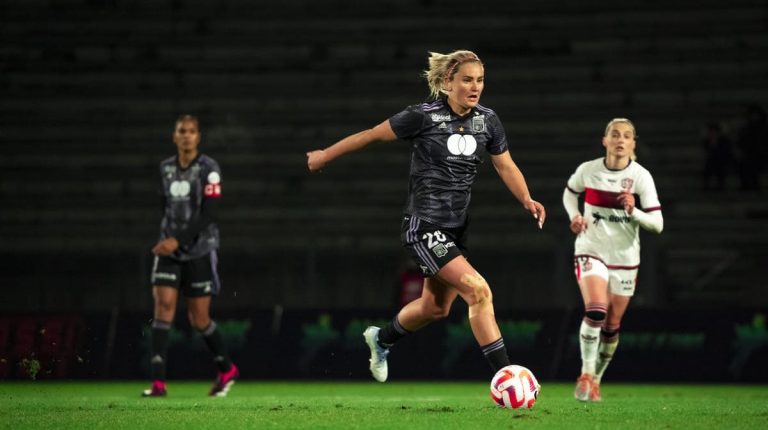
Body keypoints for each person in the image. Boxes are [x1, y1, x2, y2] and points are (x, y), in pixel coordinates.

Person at [306, 50, 546, 382]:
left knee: (436, 308)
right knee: (478, 290)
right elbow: (372, 134)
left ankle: (381, 338)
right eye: (467, 80)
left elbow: (504, 164)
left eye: (479, 80)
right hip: (424, 225)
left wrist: (526, 198)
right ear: (448, 82)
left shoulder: (488, 120)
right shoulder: (422, 116)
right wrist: (324, 155)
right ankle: (508, 377)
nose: (475, 87)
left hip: (456, 229)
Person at [562, 118, 664, 402]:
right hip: (591, 249)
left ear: (633, 144)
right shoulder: (588, 170)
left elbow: (657, 224)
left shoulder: (641, 177)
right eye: (615, 135)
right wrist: (575, 217)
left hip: (625, 258)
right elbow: (570, 193)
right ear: (604, 141)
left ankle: (596, 378)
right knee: (596, 310)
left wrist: (634, 212)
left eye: (627, 136)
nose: (620, 140)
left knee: (611, 325)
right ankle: (585, 372)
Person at [142, 115, 238, 397]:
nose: (186, 136)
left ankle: (226, 369)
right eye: (181, 131)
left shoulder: (209, 169)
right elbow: (165, 208)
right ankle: (158, 384)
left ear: (198, 137)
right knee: (163, 307)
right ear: (174, 137)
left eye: (191, 131)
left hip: (199, 249)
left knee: (199, 319)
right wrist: (167, 240)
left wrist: (177, 240)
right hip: (168, 249)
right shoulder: (165, 169)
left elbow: (210, 214)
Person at [700, 120, 733, 190]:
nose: (713, 133)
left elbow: (726, 152)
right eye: (711, 132)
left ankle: (721, 185)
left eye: (714, 131)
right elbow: (707, 152)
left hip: (722, 161)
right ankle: (706, 185)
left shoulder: (724, 141)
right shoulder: (707, 141)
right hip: (711, 161)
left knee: (720, 167)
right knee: (709, 166)